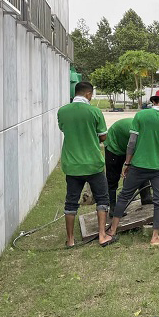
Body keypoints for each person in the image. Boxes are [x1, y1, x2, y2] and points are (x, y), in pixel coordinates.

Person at [108, 89, 159, 246]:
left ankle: (112, 230)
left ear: (154, 101)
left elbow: (131, 143)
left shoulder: (141, 115)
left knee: (124, 196)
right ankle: (155, 237)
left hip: (138, 165)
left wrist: (127, 163)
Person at [57, 81, 113, 247]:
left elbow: (64, 129)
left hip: (72, 165)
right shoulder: (94, 111)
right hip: (93, 164)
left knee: (71, 202)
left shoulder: (62, 111)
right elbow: (103, 136)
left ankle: (70, 240)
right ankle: (102, 236)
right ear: (89, 94)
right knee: (102, 199)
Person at [104, 117, 152, 211]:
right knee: (113, 178)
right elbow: (133, 147)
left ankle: (146, 198)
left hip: (128, 144)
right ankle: (112, 207)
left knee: (142, 170)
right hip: (115, 145)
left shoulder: (151, 133)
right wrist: (128, 164)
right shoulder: (140, 133)